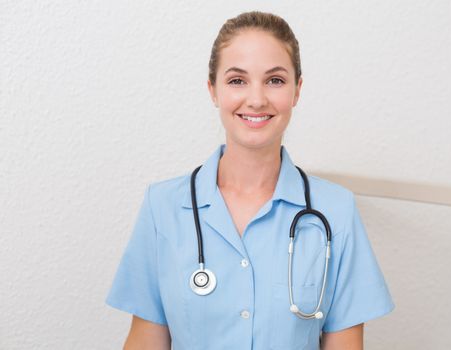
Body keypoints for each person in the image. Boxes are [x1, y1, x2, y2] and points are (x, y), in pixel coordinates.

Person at [106, 11, 394, 350]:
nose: (256, 99)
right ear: (213, 90)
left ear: (297, 91)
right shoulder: (163, 207)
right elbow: (145, 342)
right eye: (237, 80)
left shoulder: (335, 211)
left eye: (274, 80)